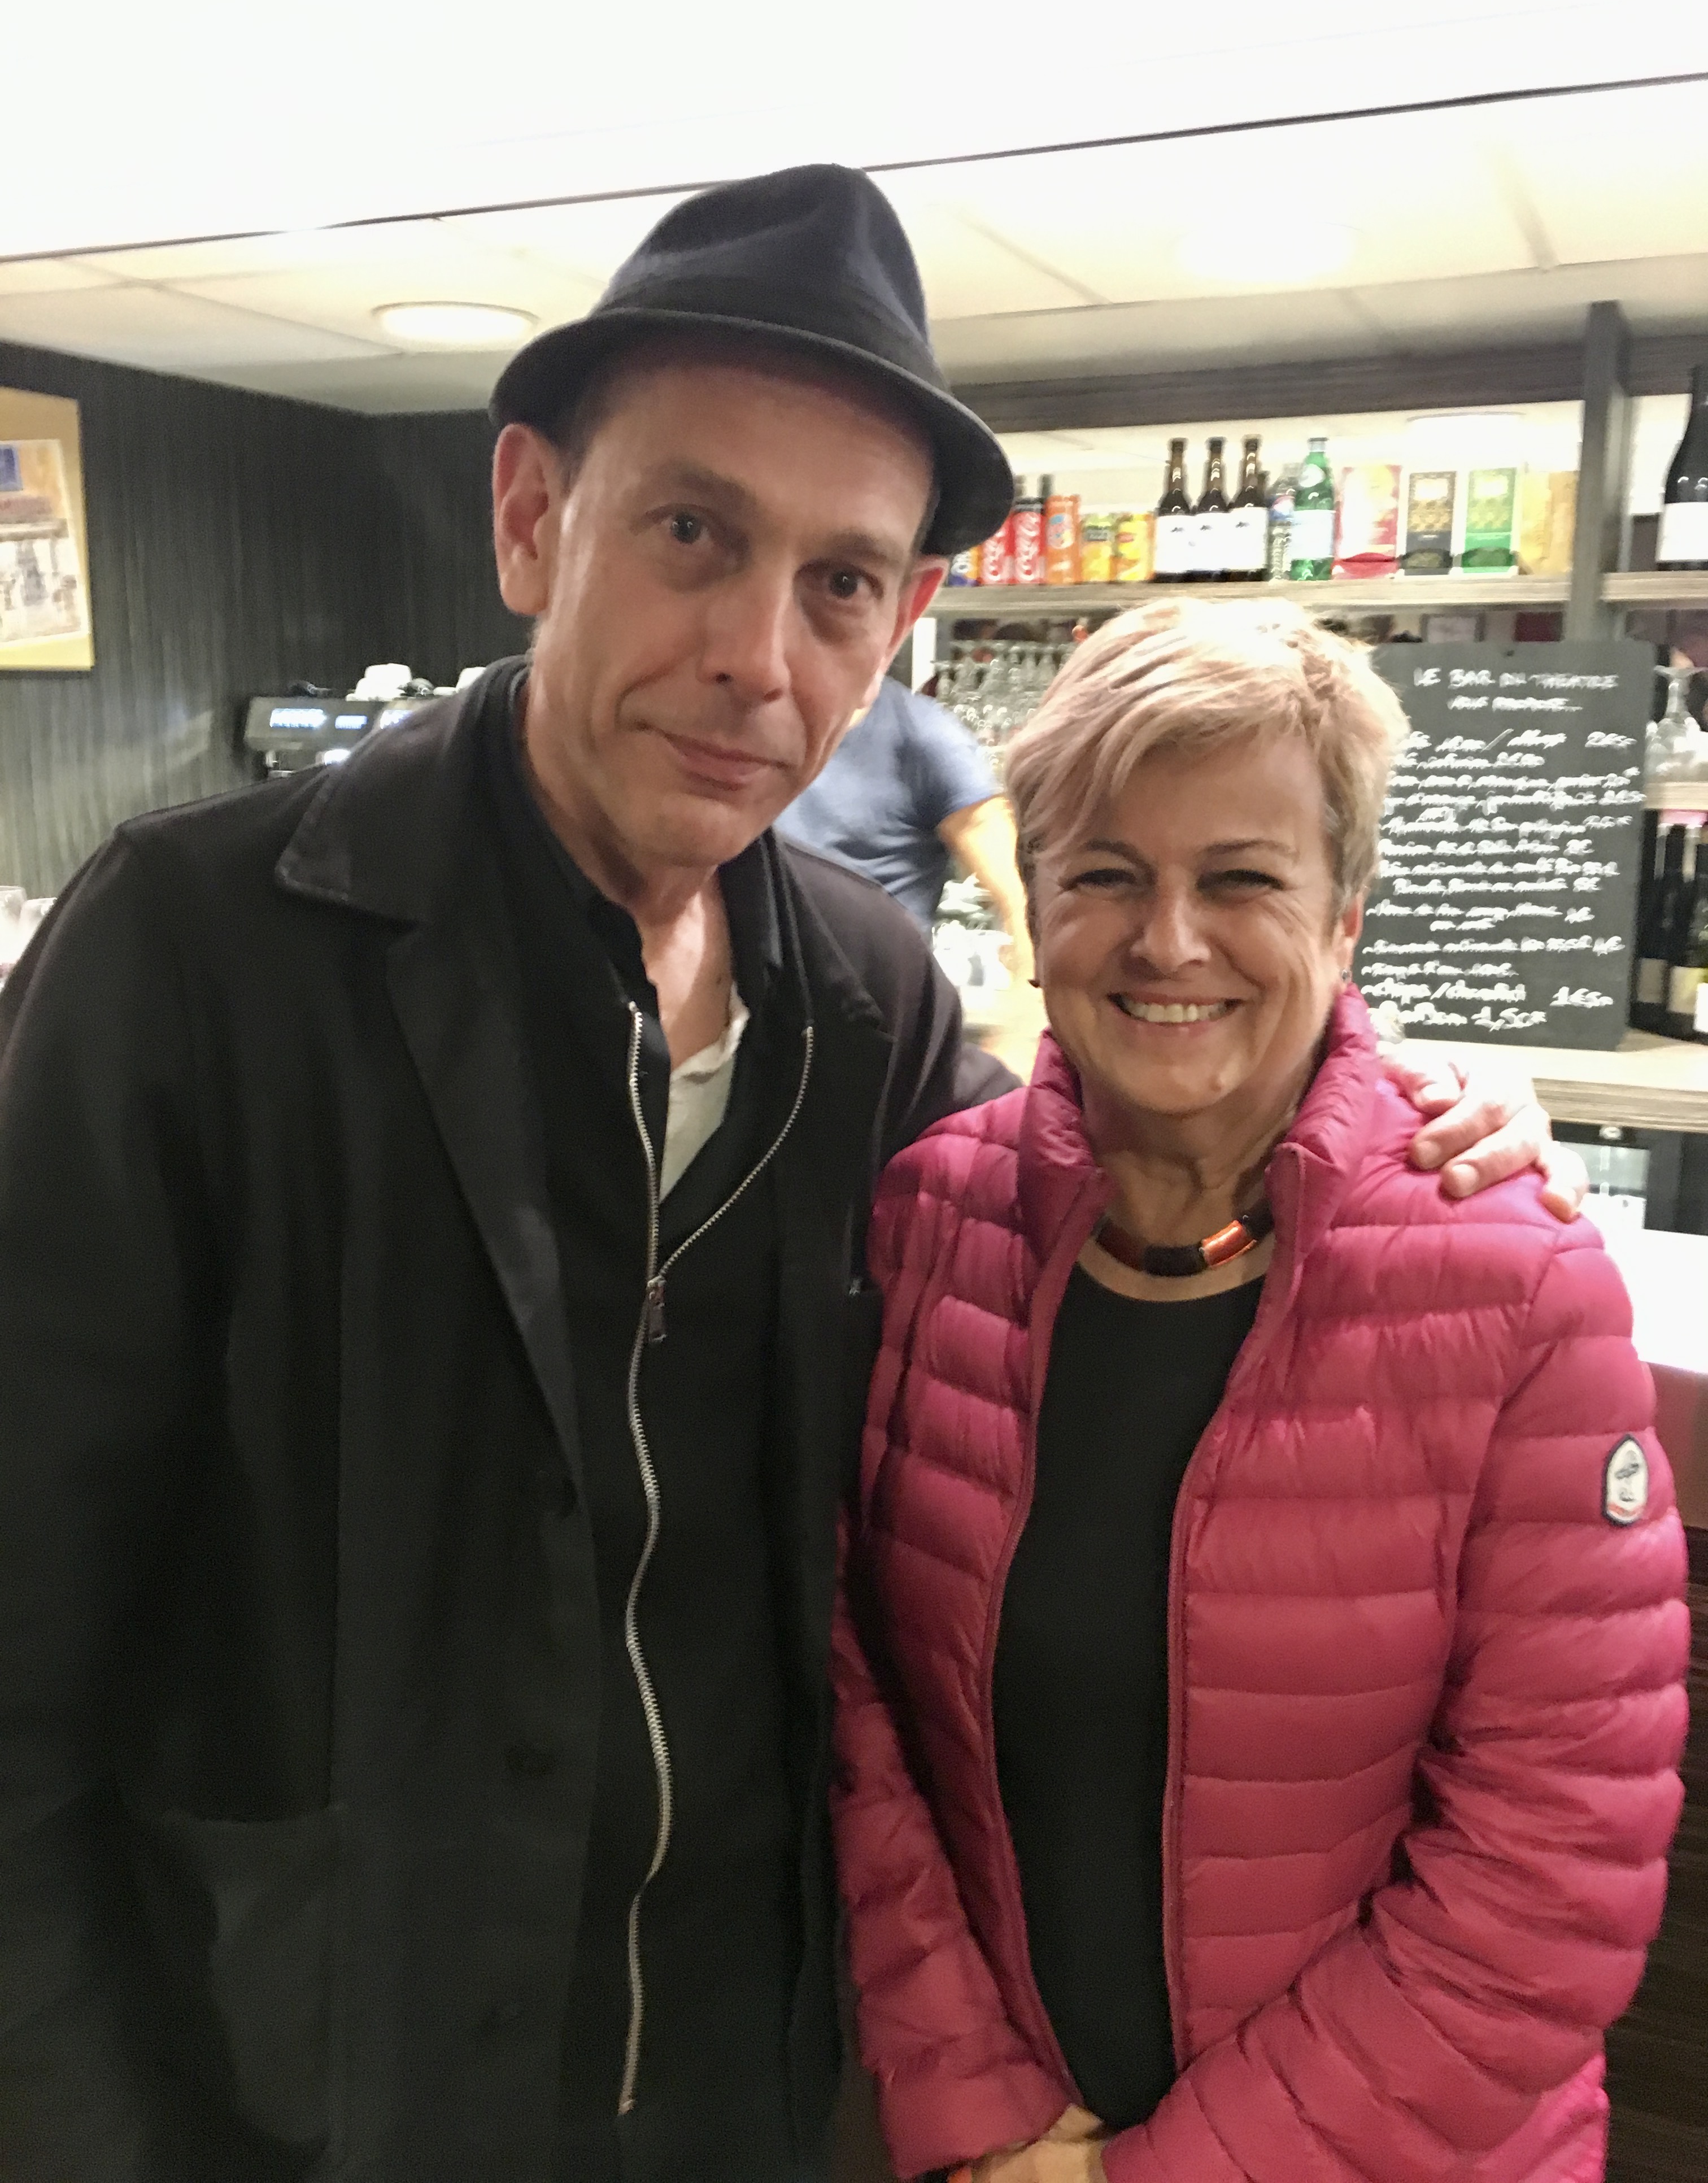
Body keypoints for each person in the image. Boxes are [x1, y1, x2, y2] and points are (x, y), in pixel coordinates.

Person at [0, 168, 1575, 2183]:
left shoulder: (868, 997)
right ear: (528, 516)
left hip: (739, 2086)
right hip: (299, 2088)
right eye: (692, 533)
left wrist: (1384, 1107)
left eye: (839, 581)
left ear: (902, 625)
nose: (758, 654)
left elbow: (1104, 1188)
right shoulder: (195, 957)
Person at [830, 599, 1689, 2183]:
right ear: (1034, 904)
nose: (1170, 941)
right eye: (1106, 876)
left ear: (1344, 919)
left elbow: (1551, 1872)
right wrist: (980, 2111)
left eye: (1241, 880)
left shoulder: (1517, 1287)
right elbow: (857, 1719)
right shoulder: (927, 1222)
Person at [776, 669, 1034, 973]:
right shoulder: (759, 726)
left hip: (868, 986)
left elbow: (1018, 894)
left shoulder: (926, 736)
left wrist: (1029, 982)